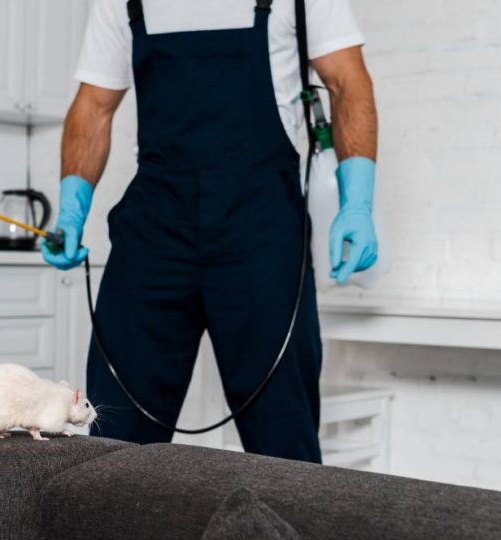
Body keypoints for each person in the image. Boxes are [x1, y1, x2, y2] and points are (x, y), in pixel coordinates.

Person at [42, 0, 378, 462]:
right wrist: (71, 210)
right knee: (111, 437)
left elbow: (347, 82)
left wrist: (357, 203)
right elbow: (93, 105)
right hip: (154, 232)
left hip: (261, 233)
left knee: (284, 442)